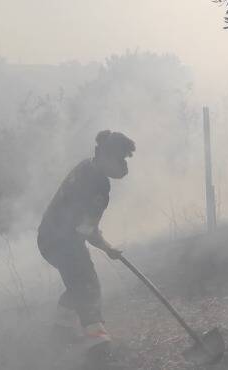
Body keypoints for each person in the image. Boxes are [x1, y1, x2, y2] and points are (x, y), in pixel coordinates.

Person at [37, 130, 135, 351]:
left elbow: (83, 226)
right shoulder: (99, 184)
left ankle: (60, 332)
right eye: (120, 159)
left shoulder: (85, 166)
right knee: (88, 286)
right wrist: (108, 248)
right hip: (64, 243)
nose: (123, 166)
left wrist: (101, 244)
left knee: (76, 284)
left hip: (48, 237)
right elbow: (86, 229)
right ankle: (98, 343)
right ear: (104, 154)